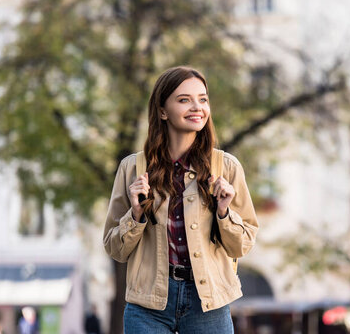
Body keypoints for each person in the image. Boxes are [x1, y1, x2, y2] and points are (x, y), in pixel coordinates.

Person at [103, 66, 259, 333]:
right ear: (162, 110)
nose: (197, 106)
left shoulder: (227, 168)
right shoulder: (132, 169)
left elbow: (242, 246)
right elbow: (114, 248)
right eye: (184, 99)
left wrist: (224, 212)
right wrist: (136, 214)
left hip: (207, 303)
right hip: (148, 306)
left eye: (203, 99)